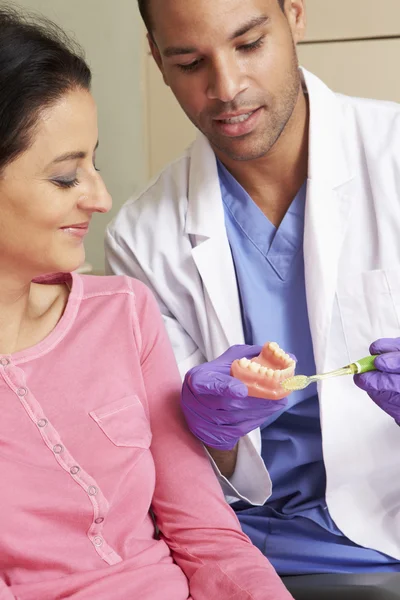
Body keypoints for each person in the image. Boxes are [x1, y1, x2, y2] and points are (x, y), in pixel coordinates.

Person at [0, 7, 294, 600]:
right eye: (65, 178)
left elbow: (208, 537)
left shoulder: (123, 313)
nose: (102, 198)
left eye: (95, 162)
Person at [105, 0, 400, 577]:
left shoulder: (392, 156)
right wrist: (208, 430)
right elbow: (180, 472)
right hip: (249, 543)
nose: (227, 87)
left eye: (248, 45)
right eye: (190, 62)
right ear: (158, 60)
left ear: (295, 16)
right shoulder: (142, 237)